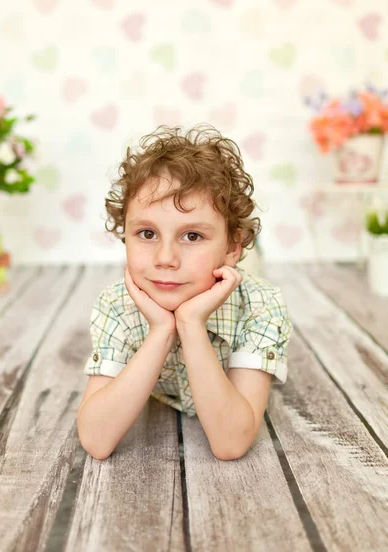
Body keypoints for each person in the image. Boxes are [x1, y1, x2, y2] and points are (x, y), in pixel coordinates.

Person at [77, 124, 293, 461]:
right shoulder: (116, 304)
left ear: (233, 246)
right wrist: (162, 330)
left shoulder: (261, 305)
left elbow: (231, 442)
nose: (165, 259)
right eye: (147, 233)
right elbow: (96, 439)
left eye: (192, 236)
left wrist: (191, 325)